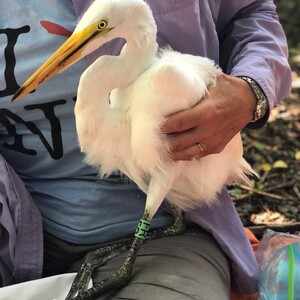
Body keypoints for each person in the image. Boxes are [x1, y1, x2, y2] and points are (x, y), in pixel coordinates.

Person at [0, 0, 291, 299]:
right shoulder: (121, 92)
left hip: (163, 234)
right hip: (9, 229)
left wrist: (250, 91)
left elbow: (250, 12)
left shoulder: (159, 85)